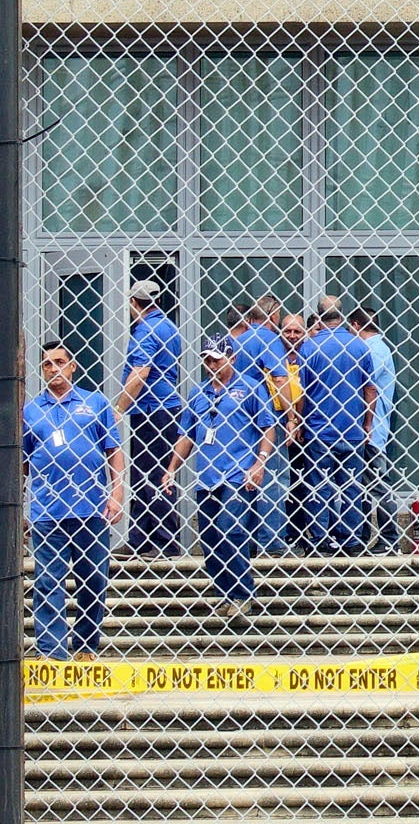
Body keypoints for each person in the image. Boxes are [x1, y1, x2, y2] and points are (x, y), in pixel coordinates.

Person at [25, 341, 124, 659]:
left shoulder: (95, 403)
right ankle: (51, 651)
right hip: (47, 509)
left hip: (91, 506)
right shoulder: (31, 410)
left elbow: (114, 452)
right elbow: (22, 460)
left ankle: (85, 645)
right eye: (47, 364)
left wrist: (116, 494)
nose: (53, 369)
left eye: (59, 362)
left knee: (94, 578)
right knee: (48, 581)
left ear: (72, 366)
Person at [168, 335, 270, 617]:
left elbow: (266, 427)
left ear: (232, 359)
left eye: (216, 359)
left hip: (238, 473)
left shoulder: (249, 388)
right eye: (207, 359)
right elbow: (186, 434)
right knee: (210, 537)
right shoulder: (198, 394)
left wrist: (259, 463)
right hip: (207, 475)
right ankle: (224, 592)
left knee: (230, 529)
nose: (211, 364)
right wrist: (172, 468)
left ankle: (243, 592)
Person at [297, 299, 382, 555]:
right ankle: (352, 538)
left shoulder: (310, 347)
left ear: (320, 318)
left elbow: (301, 391)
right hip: (352, 427)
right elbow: (370, 389)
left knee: (319, 484)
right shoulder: (358, 346)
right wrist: (368, 423)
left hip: (319, 427)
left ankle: (321, 538)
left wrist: (298, 421)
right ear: (342, 317)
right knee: (352, 485)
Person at [112, 281, 186, 557]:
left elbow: (140, 373)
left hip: (153, 409)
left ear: (133, 302)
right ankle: (141, 537)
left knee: (153, 474)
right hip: (162, 408)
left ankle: (165, 540)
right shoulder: (167, 326)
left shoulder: (145, 330)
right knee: (147, 473)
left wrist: (119, 408)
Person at [232, 300, 296, 554]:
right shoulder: (268, 338)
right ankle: (273, 541)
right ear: (271, 316)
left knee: (247, 473)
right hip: (264, 415)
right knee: (274, 476)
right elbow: (280, 377)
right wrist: (291, 415)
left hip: (239, 415)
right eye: (278, 318)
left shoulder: (240, 340)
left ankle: (246, 538)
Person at [354, 306, 400, 554]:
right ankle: (363, 536)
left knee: (378, 483)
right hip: (370, 428)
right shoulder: (379, 348)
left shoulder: (373, 349)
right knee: (364, 484)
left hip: (371, 429)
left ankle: (389, 538)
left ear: (356, 325)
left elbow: (366, 384)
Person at [271, 312, 312, 551]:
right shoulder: (274, 356)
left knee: (303, 483)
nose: (293, 336)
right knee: (280, 483)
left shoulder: (308, 355)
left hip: (306, 428)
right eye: (288, 331)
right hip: (281, 426)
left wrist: (299, 422)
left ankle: (301, 533)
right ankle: (285, 534)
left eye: (297, 331)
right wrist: (290, 420)